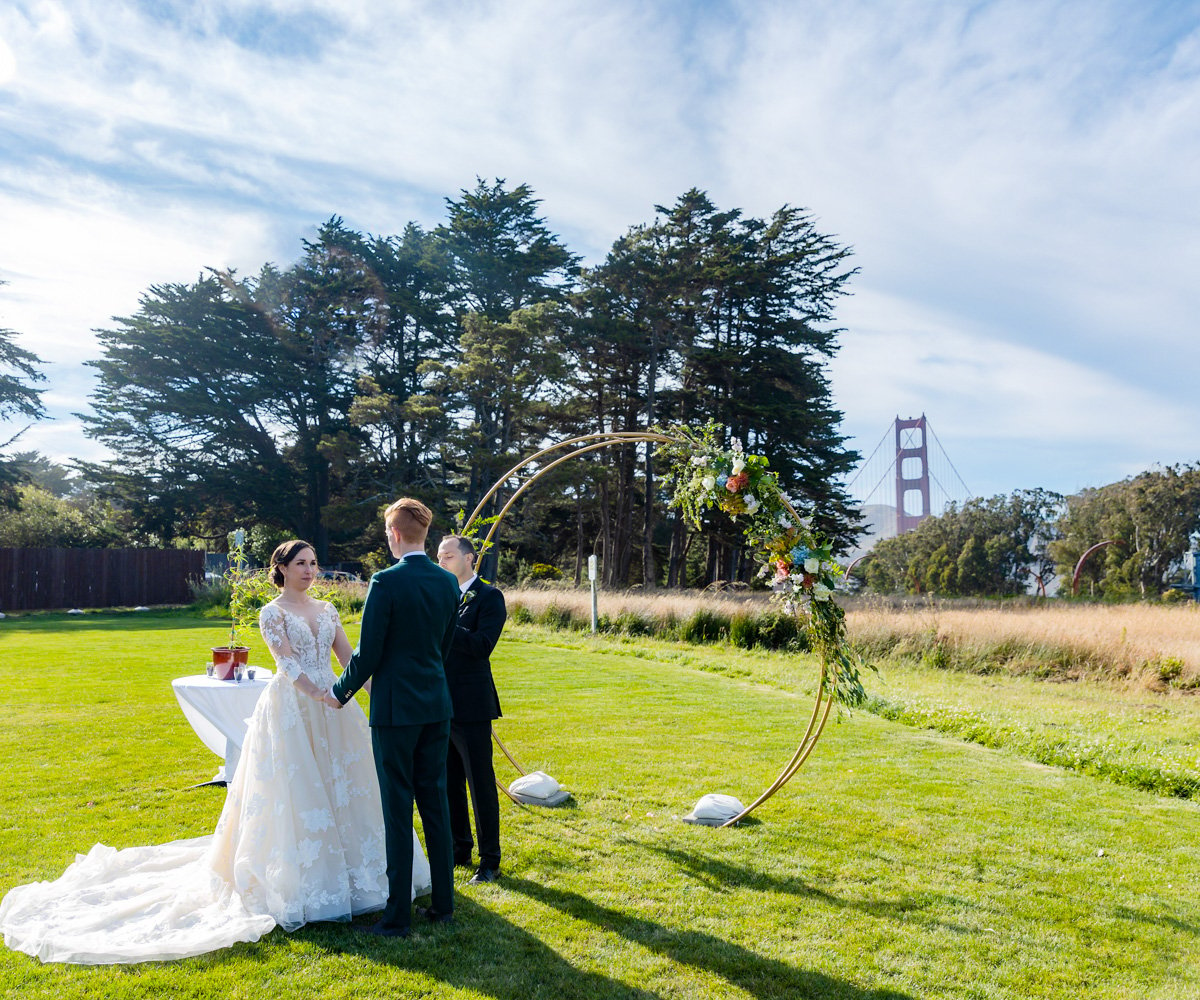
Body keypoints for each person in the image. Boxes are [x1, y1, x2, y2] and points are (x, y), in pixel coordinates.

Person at [0, 540, 429, 965]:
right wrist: (321, 694)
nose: (310, 570)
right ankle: (304, 880)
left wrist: (373, 692)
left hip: (337, 706)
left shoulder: (329, 609)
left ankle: (365, 877)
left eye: (314, 563)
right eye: (301, 563)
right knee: (297, 789)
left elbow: (349, 656)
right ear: (280, 568)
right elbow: (287, 665)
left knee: (351, 787)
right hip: (295, 707)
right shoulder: (271, 613)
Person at [330, 498, 459, 938]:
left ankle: (397, 917)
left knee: (397, 810)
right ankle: (444, 905)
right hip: (436, 705)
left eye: (387, 533)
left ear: (396, 534)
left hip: (395, 711)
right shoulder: (448, 582)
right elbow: (443, 646)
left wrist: (339, 691)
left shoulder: (385, 581)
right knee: (436, 803)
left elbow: (369, 651)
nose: (388, 539)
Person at [436, 534, 507, 885]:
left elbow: (481, 646)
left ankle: (490, 860)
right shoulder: (440, 596)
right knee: (449, 782)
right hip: (439, 703)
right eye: (438, 557)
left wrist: (447, 624)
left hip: (473, 704)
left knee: (480, 784)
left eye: (448, 556)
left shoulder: (490, 597)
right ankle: (459, 848)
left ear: (469, 559)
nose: (441, 562)